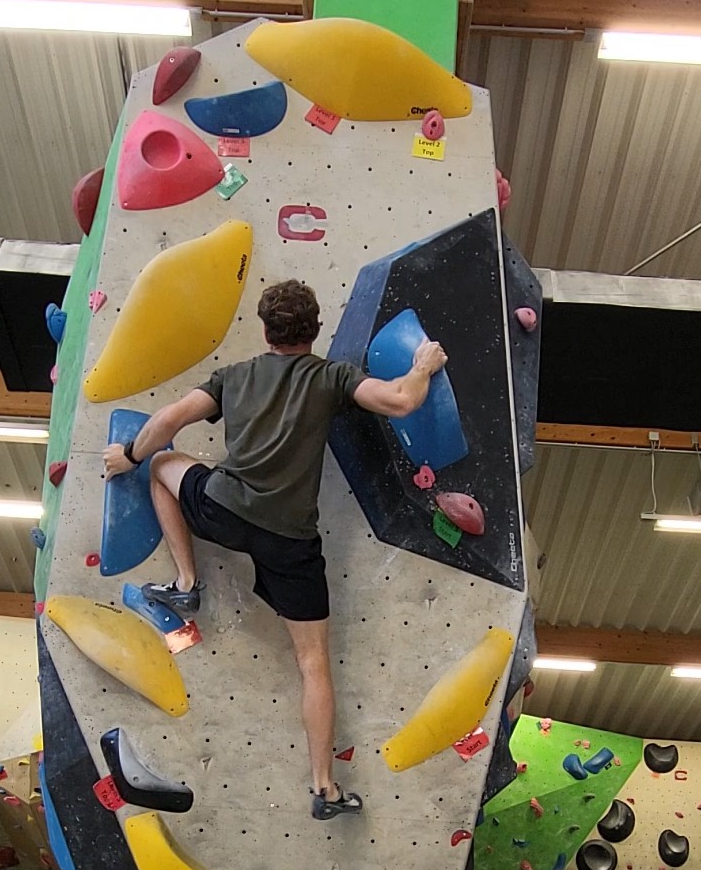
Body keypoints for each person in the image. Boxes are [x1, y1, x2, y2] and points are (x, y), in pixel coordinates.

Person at [102, 279, 447, 820]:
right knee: (313, 663)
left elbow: (167, 421)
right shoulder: (331, 377)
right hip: (290, 541)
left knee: (162, 465)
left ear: (265, 332)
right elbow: (402, 400)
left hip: (224, 509)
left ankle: (187, 584)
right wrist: (423, 365)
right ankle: (325, 788)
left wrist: (128, 455)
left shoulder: (234, 377)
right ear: (315, 330)